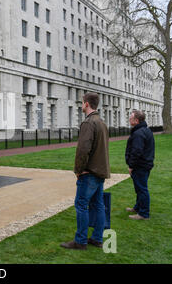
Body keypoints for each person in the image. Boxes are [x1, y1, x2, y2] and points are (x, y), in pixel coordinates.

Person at [61, 92, 110, 250]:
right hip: (100, 171)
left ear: (87, 104)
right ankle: (96, 238)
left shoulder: (89, 123)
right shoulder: (101, 122)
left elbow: (83, 150)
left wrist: (78, 170)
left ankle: (80, 241)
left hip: (89, 172)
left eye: (82, 102)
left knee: (81, 205)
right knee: (98, 205)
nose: (81, 105)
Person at [125, 110, 155, 220]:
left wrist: (131, 166)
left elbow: (137, 151)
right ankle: (138, 207)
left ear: (136, 120)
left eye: (131, 117)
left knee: (142, 189)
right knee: (139, 188)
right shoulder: (145, 130)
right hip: (144, 164)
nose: (129, 119)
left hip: (140, 166)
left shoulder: (139, 133)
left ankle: (144, 214)